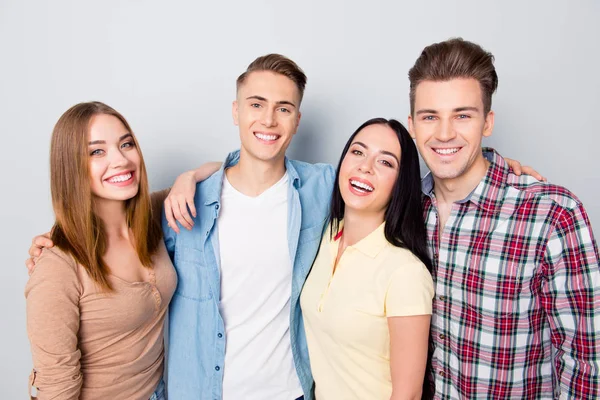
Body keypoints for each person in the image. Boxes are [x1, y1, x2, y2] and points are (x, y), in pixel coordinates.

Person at [25, 54, 538, 400]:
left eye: (284, 108)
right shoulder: (182, 205)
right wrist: (56, 238)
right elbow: (105, 210)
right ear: (235, 111)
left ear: (296, 120)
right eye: (256, 104)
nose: (268, 120)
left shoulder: (323, 191)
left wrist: (489, 167)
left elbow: (397, 187)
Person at [406, 38, 600, 399]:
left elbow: (587, 360)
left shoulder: (552, 214)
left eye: (463, 115)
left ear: (488, 122)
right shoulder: (405, 211)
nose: (445, 133)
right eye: (430, 116)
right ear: (412, 125)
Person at [25, 101, 176, 399]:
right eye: (97, 151)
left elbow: (221, 175)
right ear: (71, 167)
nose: (120, 160)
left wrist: (186, 180)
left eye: (126, 144)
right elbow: (56, 387)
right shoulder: (56, 266)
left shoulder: (154, 215)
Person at [300, 118, 434, 400]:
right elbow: (265, 172)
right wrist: (196, 176)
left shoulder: (405, 272)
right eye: (358, 152)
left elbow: (408, 394)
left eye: (385, 162)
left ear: (401, 183)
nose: (365, 167)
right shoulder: (324, 234)